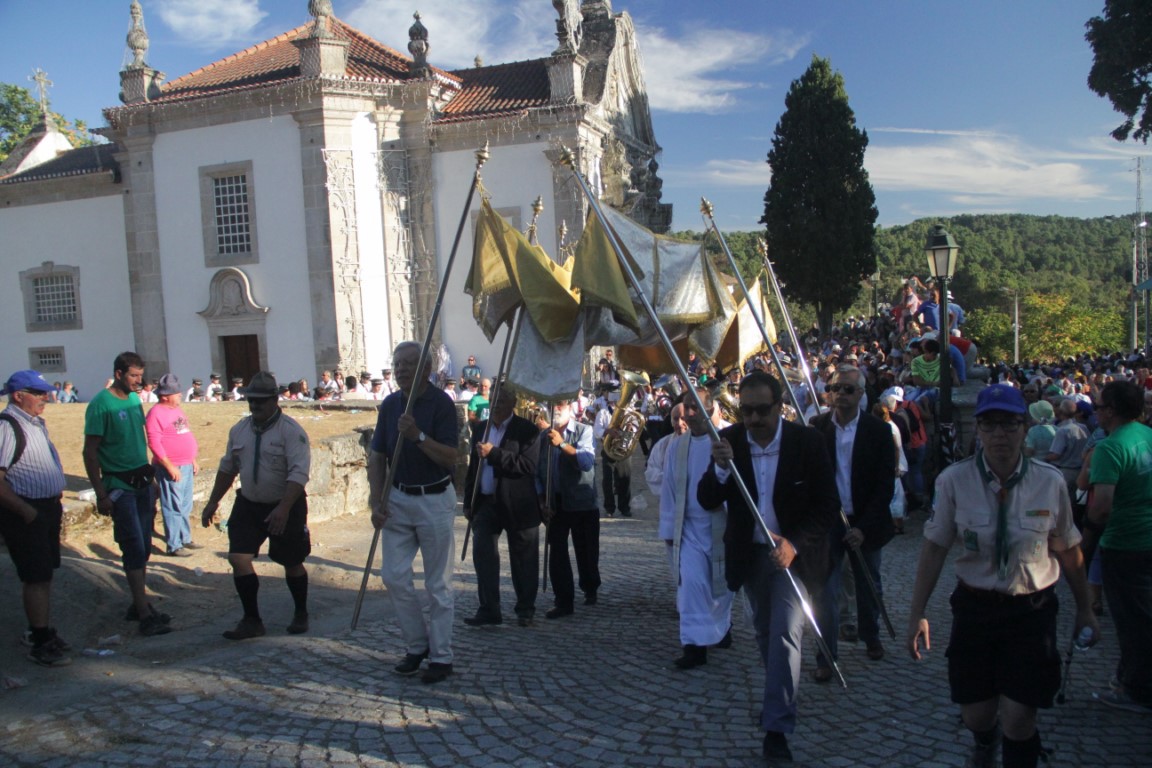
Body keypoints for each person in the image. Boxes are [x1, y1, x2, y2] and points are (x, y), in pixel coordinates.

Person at [907, 384, 1098, 768]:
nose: (1000, 435)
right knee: (976, 712)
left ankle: (1020, 746)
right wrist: (917, 613)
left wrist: (1085, 608)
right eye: (990, 425)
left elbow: (1067, 548)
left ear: (1024, 427)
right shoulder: (953, 481)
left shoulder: (1049, 481)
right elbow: (934, 547)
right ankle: (984, 737)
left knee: (1019, 717)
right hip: (976, 608)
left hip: (1032, 609)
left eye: (1009, 424)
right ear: (978, 429)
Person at [697, 371, 838, 763]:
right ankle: (780, 689)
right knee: (764, 632)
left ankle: (776, 728)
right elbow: (707, 497)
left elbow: (828, 506)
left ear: (780, 406)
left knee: (785, 635)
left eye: (762, 410)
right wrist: (721, 469)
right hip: (752, 556)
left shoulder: (806, 442)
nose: (754, 418)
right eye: (747, 411)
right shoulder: (731, 442)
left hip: (793, 558)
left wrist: (794, 544)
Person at [368, 341, 461, 684]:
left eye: (409, 364)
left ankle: (441, 656)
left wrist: (417, 435)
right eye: (397, 364)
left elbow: (450, 457)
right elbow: (377, 456)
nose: (401, 369)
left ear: (426, 369)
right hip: (398, 498)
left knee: (438, 584)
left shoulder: (441, 404)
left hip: (434, 498)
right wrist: (376, 500)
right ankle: (417, 645)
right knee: (393, 575)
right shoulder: (390, 405)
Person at [200, 372, 312, 640]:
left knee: (292, 562)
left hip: (286, 504)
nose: (255, 406)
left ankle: (300, 611)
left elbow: (298, 474)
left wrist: (284, 508)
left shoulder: (291, 432)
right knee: (238, 558)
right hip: (249, 504)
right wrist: (212, 501)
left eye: (261, 401)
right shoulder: (239, 430)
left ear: (274, 400)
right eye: (251, 400)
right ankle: (252, 619)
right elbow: (228, 468)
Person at [811, 364, 896, 680]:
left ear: (861, 393)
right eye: (835, 388)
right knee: (824, 589)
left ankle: (870, 634)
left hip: (865, 518)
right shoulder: (818, 427)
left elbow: (885, 485)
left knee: (868, 583)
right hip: (829, 520)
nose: (840, 394)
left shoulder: (879, 431)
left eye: (848, 389)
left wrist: (865, 527)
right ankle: (826, 654)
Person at [83, 351, 171, 637]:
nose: (138, 381)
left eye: (140, 375)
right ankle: (143, 613)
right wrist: (101, 493)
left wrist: (152, 481)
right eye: (133, 376)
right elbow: (90, 452)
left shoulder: (135, 399)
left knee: (144, 546)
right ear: (118, 374)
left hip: (142, 482)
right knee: (132, 545)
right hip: (119, 486)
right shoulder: (100, 405)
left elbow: (138, 441)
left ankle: (139, 602)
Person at [1081, 380, 1152, 713]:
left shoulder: (1109, 448)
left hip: (1125, 542)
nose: (1096, 412)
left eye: (1098, 407)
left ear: (1110, 411)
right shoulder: (1148, 435)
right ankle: (1130, 677)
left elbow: (1102, 506)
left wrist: (1086, 540)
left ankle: (1137, 688)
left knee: (1132, 620)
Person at [659, 387, 734, 669]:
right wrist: (668, 530)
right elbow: (668, 487)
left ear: (711, 408)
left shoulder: (725, 441)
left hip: (720, 527)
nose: (688, 414)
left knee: (721, 587)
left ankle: (722, 628)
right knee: (691, 585)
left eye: (694, 407)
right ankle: (694, 646)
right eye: (685, 407)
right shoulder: (678, 445)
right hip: (688, 528)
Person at [0, 370, 71, 666]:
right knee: (36, 576)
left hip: (45, 509)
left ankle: (39, 630)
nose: (46, 397)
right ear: (19, 395)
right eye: (38, 393)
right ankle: (40, 642)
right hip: (26, 512)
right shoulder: (7, 426)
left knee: (44, 574)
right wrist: (25, 510)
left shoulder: (35, 424)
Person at [462, 386, 541, 627]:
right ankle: (489, 609)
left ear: (512, 402)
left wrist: (495, 454)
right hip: (486, 502)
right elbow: (473, 467)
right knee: (483, 555)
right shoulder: (480, 429)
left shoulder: (526, 430)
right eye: (493, 398)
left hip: (518, 503)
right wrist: (468, 502)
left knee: (523, 560)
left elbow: (527, 465)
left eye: (502, 398)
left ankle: (525, 608)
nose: (495, 403)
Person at [537, 398, 599, 618]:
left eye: (561, 405)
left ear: (570, 407)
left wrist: (562, 444)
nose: (556, 409)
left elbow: (585, 462)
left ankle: (590, 587)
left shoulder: (584, 430)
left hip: (582, 501)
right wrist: (542, 499)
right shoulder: (544, 436)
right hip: (556, 501)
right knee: (558, 552)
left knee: (586, 550)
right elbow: (539, 469)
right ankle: (563, 600)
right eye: (553, 405)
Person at [145, 374, 201, 557]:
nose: (180, 395)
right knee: (172, 505)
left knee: (185, 504)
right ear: (165, 396)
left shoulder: (177, 410)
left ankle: (185, 537)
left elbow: (184, 433)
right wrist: (168, 466)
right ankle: (174, 544)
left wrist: (192, 458)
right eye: (176, 393)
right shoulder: (156, 414)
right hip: (171, 466)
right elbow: (154, 443)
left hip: (185, 463)